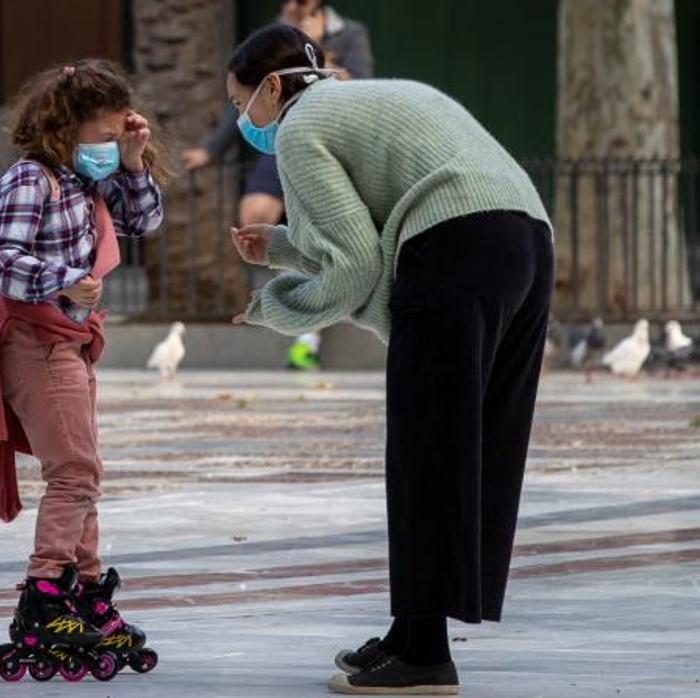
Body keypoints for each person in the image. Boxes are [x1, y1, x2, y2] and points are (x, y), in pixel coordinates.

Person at [225, 25, 553, 695]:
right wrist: (283, 249)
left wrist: (273, 307)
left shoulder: (298, 126)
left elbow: (353, 268)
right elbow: (365, 234)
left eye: (243, 103)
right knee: (471, 441)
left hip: (454, 246)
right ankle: (411, 632)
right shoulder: (367, 97)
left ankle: (426, 655)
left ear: (276, 87)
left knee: (425, 448)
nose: (244, 121)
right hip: (525, 238)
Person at [0, 59, 165, 681]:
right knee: (74, 470)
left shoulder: (83, 183)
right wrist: (62, 281)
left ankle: (83, 587)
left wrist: (133, 162)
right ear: (68, 126)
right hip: (35, 339)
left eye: (117, 135)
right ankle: (45, 592)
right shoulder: (32, 179)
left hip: (71, 340)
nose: (109, 147)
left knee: (83, 469)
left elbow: (143, 221)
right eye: (105, 137)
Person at [181, 0, 373, 231]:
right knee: (255, 215)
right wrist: (212, 149)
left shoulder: (349, 33)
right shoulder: (270, 36)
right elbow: (245, 96)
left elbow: (360, 87)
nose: (294, 5)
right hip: (285, 130)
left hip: (336, 134)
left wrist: (312, 49)